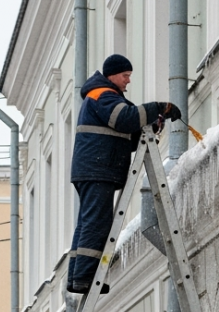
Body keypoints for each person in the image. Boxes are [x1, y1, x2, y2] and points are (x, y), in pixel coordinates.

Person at [68, 53, 182, 294]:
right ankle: (85, 277)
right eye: (125, 75)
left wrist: (152, 125)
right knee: (97, 222)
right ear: (112, 74)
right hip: (98, 168)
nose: (128, 80)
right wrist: (159, 108)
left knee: (88, 222)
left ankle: (77, 276)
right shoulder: (103, 95)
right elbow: (125, 119)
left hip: (94, 168)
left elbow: (125, 136)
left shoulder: (101, 96)